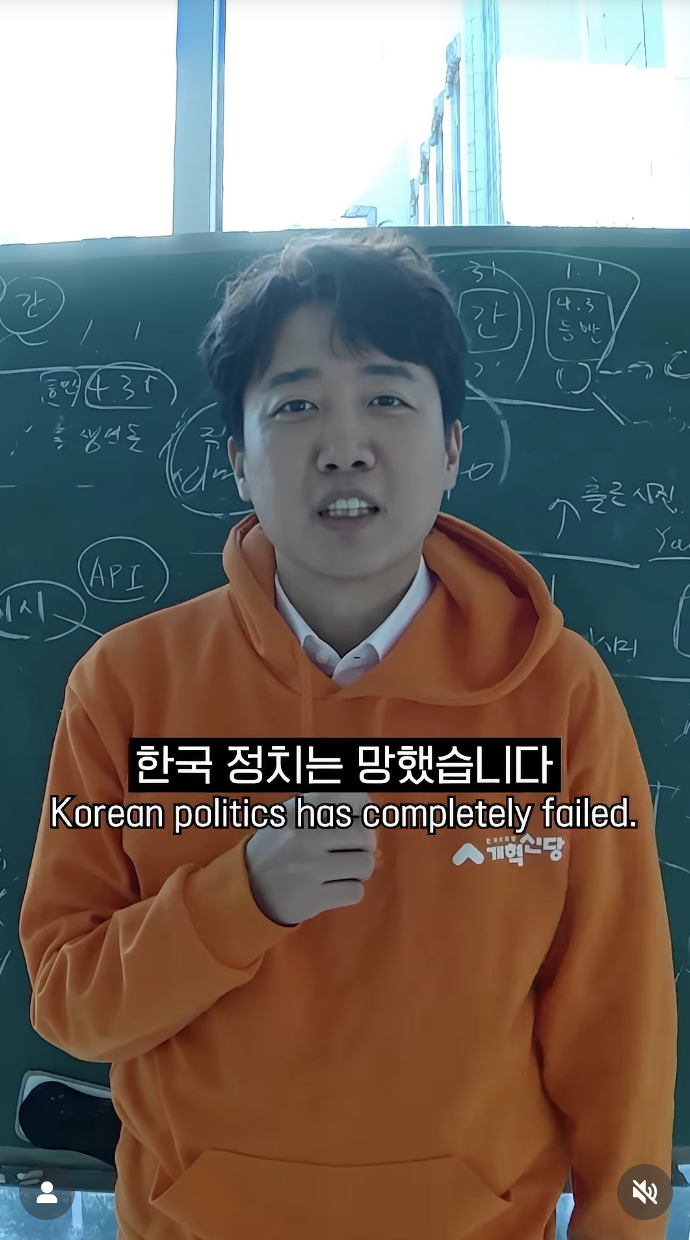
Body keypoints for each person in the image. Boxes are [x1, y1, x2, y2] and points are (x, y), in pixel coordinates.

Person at [19, 229, 676, 1240]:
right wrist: (242, 898)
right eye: (294, 406)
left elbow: (621, 1022)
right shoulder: (126, 686)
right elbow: (71, 1003)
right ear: (238, 460)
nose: (344, 444)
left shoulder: (558, 695)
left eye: (387, 399)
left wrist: (627, 1222)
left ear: (451, 448)